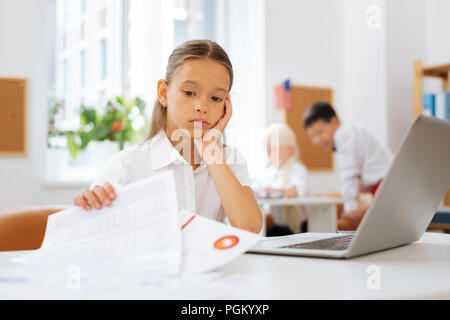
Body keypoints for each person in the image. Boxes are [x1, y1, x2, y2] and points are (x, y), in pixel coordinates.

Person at [72, 40, 262, 234]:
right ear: (163, 93)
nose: (202, 106)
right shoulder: (127, 166)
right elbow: (88, 236)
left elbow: (249, 227)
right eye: (189, 92)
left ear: (226, 105)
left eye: (216, 98)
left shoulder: (228, 160)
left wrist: (210, 150)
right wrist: (90, 212)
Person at [303, 102, 393, 229]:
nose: (317, 140)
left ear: (334, 121)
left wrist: (350, 207)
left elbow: (349, 174)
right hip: (387, 185)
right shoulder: (352, 132)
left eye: (319, 132)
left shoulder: (343, 134)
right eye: (312, 136)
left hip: (385, 187)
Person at [255, 123, 308, 236]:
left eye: (272, 150)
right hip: (279, 226)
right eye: (267, 150)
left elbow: (297, 191)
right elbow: (260, 188)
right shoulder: (271, 171)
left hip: (299, 228)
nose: (268, 154)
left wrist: (275, 191)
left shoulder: (297, 168)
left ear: (288, 149)